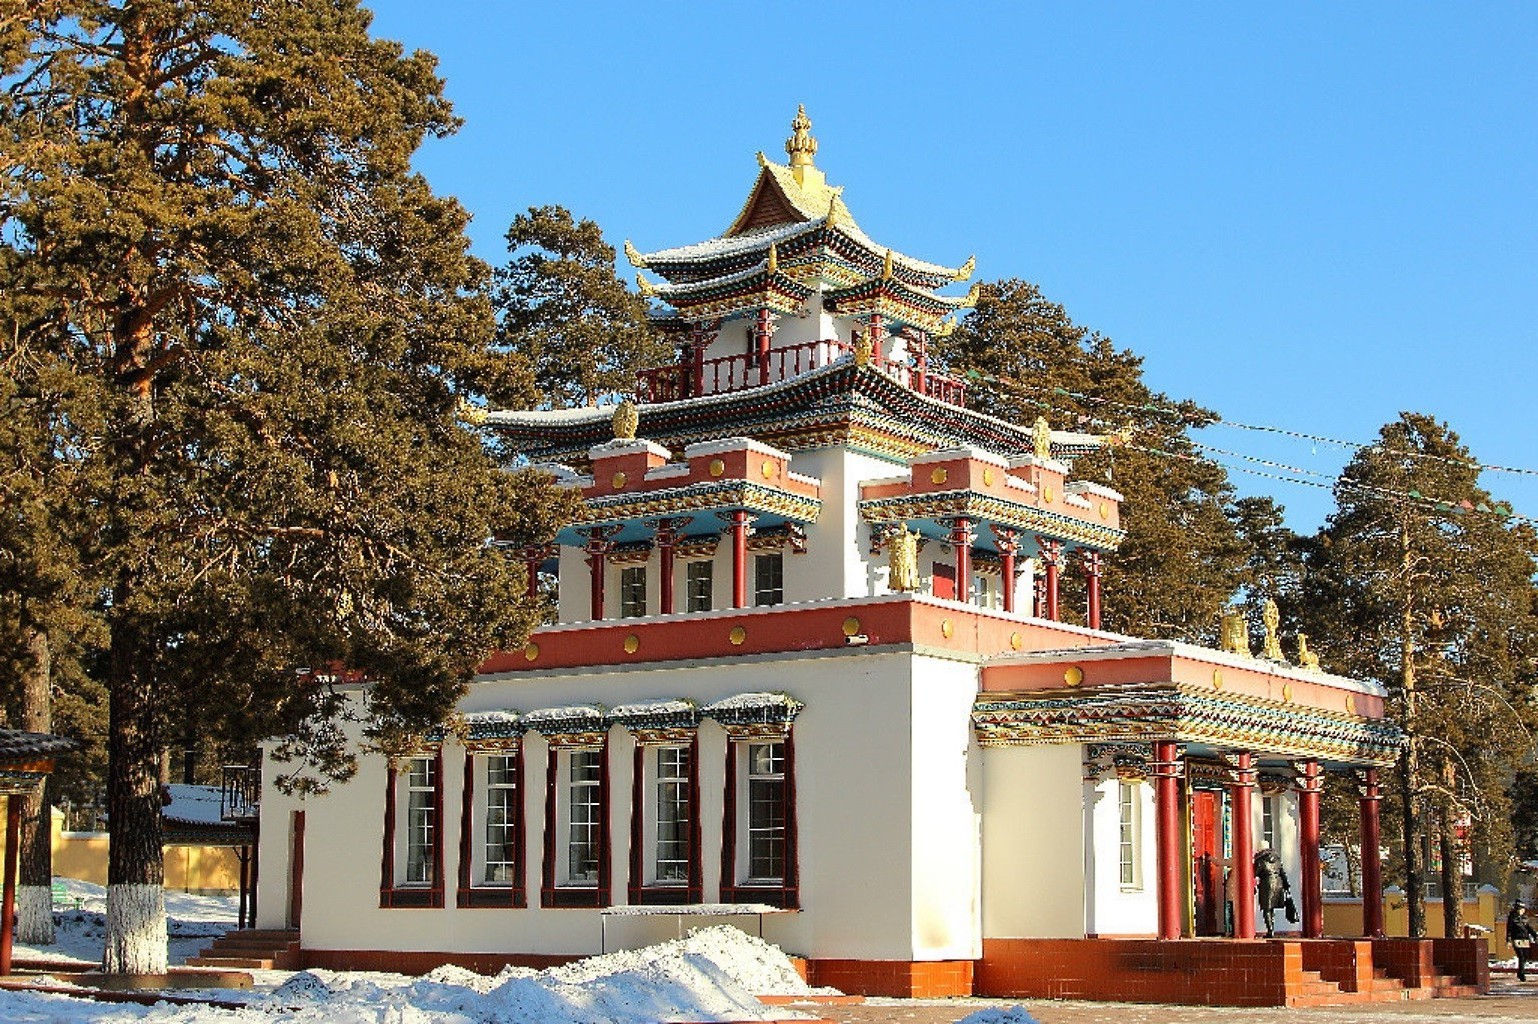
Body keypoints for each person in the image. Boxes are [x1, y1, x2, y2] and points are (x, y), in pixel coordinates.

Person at [1254, 847, 1291, 938]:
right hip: (1278, 883)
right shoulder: (1277, 860)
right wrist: (1286, 886)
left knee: (1266, 908)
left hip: (1267, 884)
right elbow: (1283, 873)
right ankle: (1272, 928)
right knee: (1272, 908)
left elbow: (1255, 873)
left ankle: (1270, 930)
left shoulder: (1261, 860)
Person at [1508, 901, 1537, 981]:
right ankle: (1522, 973)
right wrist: (1508, 939)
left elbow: (1528, 927)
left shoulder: (1524, 918)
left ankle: (1520, 972)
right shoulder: (1512, 918)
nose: (1523, 910)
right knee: (1521, 956)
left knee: (1525, 957)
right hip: (1517, 939)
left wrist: (1534, 935)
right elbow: (1509, 929)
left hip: (1525, 939)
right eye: (1522, 909)